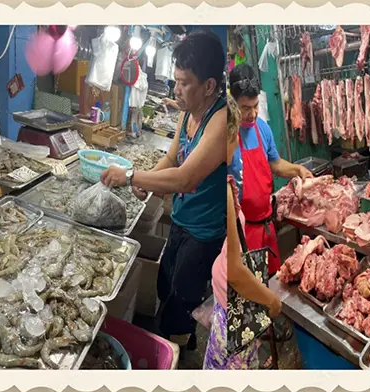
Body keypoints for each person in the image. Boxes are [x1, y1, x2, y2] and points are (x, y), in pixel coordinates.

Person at [101, 30, 227, 352]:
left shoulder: (221, 120)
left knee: (183, 299)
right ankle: (170, 337)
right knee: (166, 284)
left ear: (209, 86)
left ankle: (177, 352)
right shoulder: (188, 110)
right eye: (175, 80)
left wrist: (132, 177)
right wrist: (147, 180)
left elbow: (185, 179)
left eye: (184, 82)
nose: (176, 89)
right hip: (183, 221)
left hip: (204, 232)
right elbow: (172, 157)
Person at [203, 94, 282, 370]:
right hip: (231, 312)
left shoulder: (218, 178)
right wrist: (271, 300)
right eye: (235, 134)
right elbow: (236, 272)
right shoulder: (225, 190)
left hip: (224, 302)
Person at [227, 63, 312, 278]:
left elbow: (275, 164)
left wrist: (297, 169)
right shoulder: (227, 137)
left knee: (271, 282)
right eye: (246, 108)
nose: (253, 113)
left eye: (255, 106)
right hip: (241, 233)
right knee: (249, 296)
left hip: (266, 226)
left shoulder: (262, 128)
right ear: (232, 103)